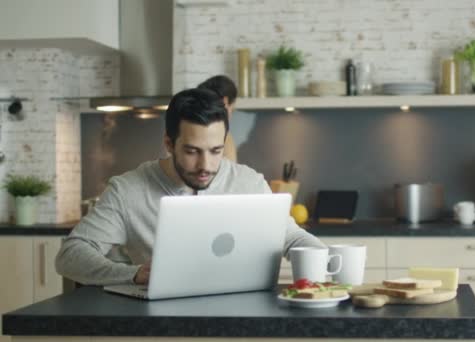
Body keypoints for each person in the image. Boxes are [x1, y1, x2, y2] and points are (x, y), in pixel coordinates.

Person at [55, 88, 324, 286]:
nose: (205, 164)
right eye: (192, 151)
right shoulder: (128, 190)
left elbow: (293, 237)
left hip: (246, 317)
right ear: (169, 144)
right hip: (163, 322)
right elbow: (71, 255)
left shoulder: (250, 182)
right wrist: (132, 274)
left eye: (216, 150)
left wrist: (324, 258)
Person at [198, 75, 238, 162]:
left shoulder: (190, 131)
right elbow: (230, 174)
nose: (233, 110)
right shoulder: (222, 136)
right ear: (225, 102)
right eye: (233, 107)